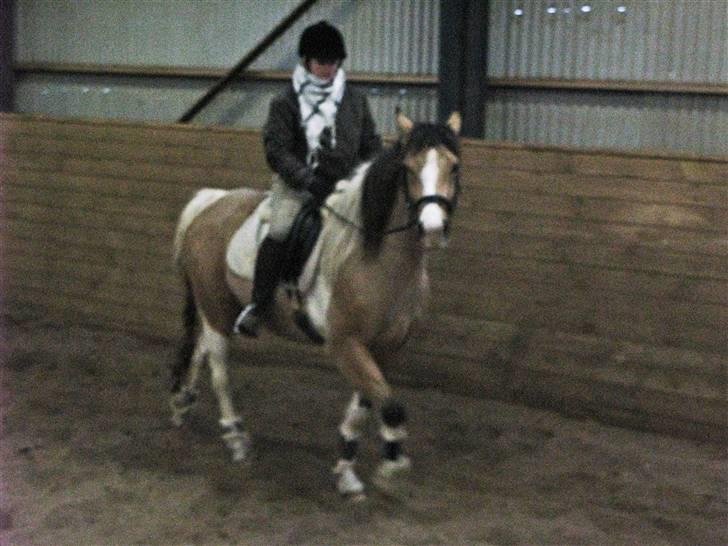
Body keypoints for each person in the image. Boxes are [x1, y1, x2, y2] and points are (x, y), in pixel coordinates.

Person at [234, 20, 382, 336]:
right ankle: (258, 306)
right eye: (320, 62)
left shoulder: (354, 101)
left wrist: (369, 175)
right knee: (281, 228)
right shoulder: (285, 101)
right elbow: (276, 150)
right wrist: (306, 180)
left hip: (344, 186)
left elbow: (370, 143)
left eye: (332, 62)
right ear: (306, 61)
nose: (327, 69)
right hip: (299, 185)